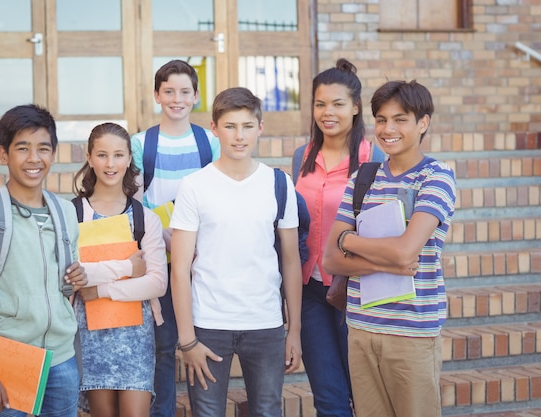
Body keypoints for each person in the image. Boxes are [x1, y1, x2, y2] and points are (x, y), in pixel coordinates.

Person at [322, 80, 456, 417]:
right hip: (361, 329)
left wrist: (350, 241)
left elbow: (405, 252)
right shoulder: (363, 179)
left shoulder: (435, 178)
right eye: (381, 120)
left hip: (411, 335)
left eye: (400, 119)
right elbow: (331, 259)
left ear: (423, 123)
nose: (388, 129)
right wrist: (386, 258)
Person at [169, 87, 303, 417]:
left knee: (267, 412)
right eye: (230, 126)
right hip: (208, 325)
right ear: (214, 128)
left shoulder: (279, 183)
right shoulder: (194, 185)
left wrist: (294, 330)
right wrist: (187, 339)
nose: (238, 136)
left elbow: (290, 260)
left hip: (266, 323)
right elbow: (180, 267)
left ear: (260, 127)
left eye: (246, 126)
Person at [0, 104, 88, 416]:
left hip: (62, 360)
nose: (33, 159)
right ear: (4, 154)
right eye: (22, 148)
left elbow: (63, 279)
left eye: (43, 148)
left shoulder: (66, 212)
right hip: (5, 360)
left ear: (53, 153)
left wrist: (76, 277)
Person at [130, 59, 220, 417]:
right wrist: (165, 238)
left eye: (185, 92)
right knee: (165, 347)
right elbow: (136, 202)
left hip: (204, 259)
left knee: (207, 342)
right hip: (162, 260)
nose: (177, 99)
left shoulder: (209, 141)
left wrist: (194, 244)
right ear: (157, 95)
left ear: (196, 96)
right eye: (169, 91)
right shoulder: (141, 143)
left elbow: (218, 195)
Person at [293, 58, 382, 417]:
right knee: (328, 399)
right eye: (320, 104)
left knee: (365, 395)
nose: (327, 112)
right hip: (310, 290)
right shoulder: (302, 156)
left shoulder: (373, 159)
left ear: (356, 107)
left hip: (356, 289)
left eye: (337, 104)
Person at [71, 122, 168, 416]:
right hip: (90, 333)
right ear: (89, 157)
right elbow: (73, 275)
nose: (110, 164)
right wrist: (127, 267)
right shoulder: (73, 214)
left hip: (135, 335)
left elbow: (157, 283)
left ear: (129, 159)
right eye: (102, 155)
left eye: (118, 155)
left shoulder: (144, 218)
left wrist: (100, 288)